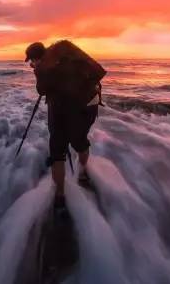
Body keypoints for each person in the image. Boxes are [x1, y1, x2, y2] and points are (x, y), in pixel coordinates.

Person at [25, 40, 106, 212]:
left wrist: (38, 73)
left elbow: (41, 90)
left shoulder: (43, 68)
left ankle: (60, 195)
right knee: (79, 141)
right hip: (88, 105)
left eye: (31, 61)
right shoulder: (64, 56)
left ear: (36, 58)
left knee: (57, 151)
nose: (32, 65)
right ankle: (83, 170)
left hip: (62, 109)